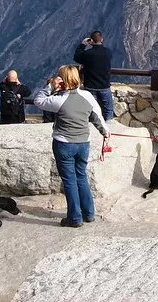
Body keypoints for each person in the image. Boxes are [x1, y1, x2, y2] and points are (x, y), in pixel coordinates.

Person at [34, 65, 109, 228]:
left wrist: (50, 86)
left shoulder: (59, 99)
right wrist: (105, 132)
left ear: (62, 80)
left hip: (64, 144)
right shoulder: (87, 96)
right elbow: (97, 116)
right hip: (83, 143)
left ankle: (75, 218)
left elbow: (38, 101)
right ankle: (89, 213)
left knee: (69, 180)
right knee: (81, 176)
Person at [74, 31, 114, 121]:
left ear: (91, 40)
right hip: (105, 86)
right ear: (102, 39)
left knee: (92, 109)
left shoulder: (88, 54)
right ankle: (109, 126)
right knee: (108, 109)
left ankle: (94, 127)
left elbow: (76, 57)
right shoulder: (108, 52)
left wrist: (83, 44)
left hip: (91, 86)